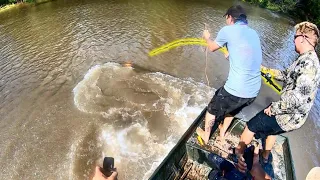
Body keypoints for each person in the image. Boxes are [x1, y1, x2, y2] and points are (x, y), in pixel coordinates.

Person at [235, 21, 320, 164]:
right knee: (272, 131)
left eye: (295, 37)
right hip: (293, 115)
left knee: (251, 126)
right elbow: (286, 75)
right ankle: (265, 157)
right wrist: (264, 70)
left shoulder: (309, 65)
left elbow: (297, 99)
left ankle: (238, 155)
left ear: (303, 38)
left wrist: (274, 108)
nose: (293, 41)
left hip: (289, 115)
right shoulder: (305, 59)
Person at [196, 5, 262, 144]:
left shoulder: (228, 30)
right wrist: (230, 55)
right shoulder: (253, 33)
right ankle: (222, 134)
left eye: (226, 18)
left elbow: (213, 47)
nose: (226, 21)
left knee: (212, 108)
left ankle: (205, 136)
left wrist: (208, 37)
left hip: (237, 90)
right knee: (233, 109)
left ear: (230, 17)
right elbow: (246, 53)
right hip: (253, 92)